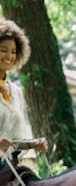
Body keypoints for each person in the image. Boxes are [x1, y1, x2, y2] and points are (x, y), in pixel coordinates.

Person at [0, 19, 47, 162]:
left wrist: (33, 144)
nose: (9, 56)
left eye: (13, 52)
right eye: (3, 50)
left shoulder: (16, 92)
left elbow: (17, 140)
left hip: (8, 170)